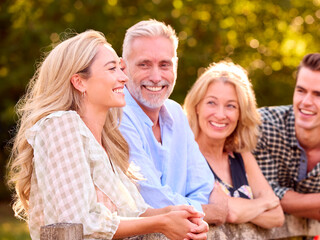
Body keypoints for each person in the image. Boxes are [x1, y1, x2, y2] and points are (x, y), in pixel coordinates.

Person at [7, 30, 208, 240]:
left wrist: (180, 215)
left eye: (121, 68)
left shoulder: (107, 141)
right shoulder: (60, 125)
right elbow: (79, 222)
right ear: (79, 82)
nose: (124, 77)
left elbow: (136, 213)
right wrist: (161, 222)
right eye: (112, 69)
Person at [120, 19, 228, 225]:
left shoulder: (176, 113)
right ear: (123, 68)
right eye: (144, 64)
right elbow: (151, 202)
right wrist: (212, 212)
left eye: (164, 65)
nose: (155, 76)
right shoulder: (117, 114)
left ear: (175, 66)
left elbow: (203, 186)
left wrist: (185, 210)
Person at [253, 53, 320, 228]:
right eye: (301, 90)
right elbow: (260, 195)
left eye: (319, 95)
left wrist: (285, 202)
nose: (306, 102)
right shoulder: (262, 127)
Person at [183, 61, 284, 229]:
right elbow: (229, 212)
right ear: (197, 106)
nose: (220, 114)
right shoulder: (187, 154)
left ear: (240, 114)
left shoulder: (240, 156)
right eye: (211, 103)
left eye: (231, 106)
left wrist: (238, 208)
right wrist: (264, 203)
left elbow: (277, 216)